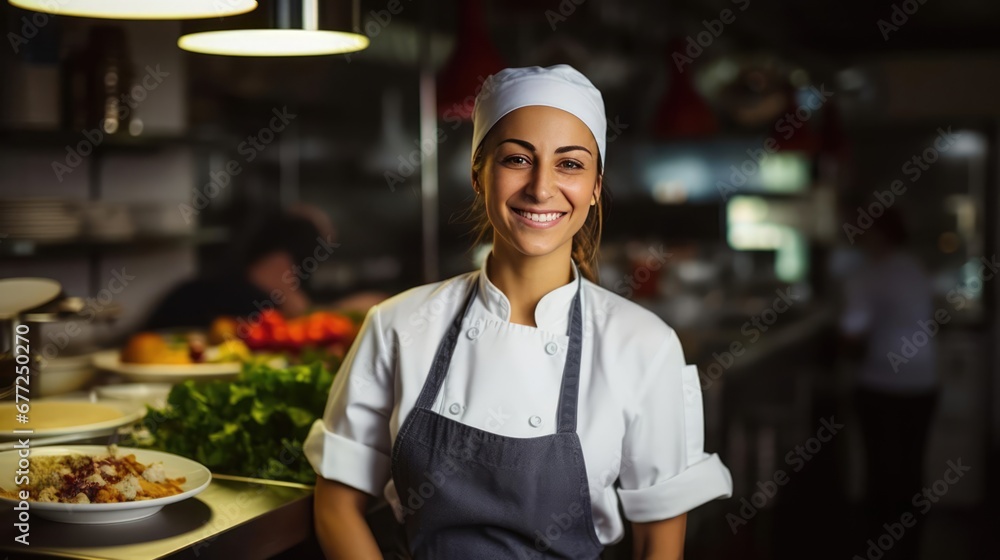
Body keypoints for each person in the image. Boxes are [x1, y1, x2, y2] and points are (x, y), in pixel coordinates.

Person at [305, 65, 733, 560]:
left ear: (595, 187)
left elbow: (659, 543)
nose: (541, 187)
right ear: (477, 173)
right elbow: (336, 507)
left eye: (570, 164)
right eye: (516, 159)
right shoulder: (398, 324)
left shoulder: (643, 344)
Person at [838, 208, 939, 560]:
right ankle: (911, 544)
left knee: (879, 468)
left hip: (882, 382)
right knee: (912, 466)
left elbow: (852, 328)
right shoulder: (915, 268)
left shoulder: (869, 275)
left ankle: (878, 542)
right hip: (925, 380)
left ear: (878, 235)